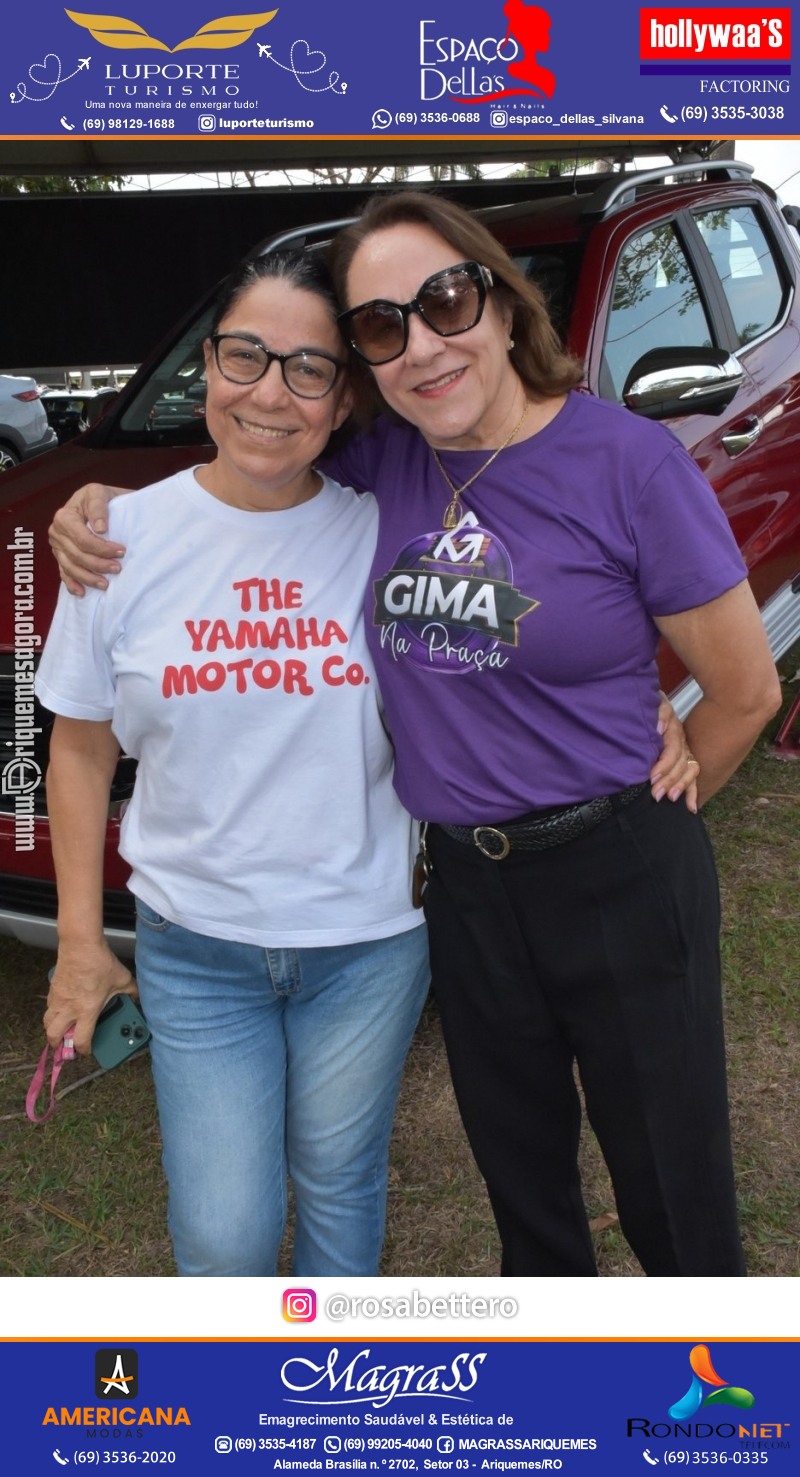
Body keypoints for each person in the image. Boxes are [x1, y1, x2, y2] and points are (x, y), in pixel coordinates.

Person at [49, 196, 724, 1278]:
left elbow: (697, 680)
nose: (273, 393)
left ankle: (684, 1411)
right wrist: (90, 501)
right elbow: (91, 725)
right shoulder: (204, 517)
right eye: (379, 327)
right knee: (301, 1220)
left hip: (488, 900)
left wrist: (648, 742)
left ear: (500, 304)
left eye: (444, 300)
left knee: (615, 1184)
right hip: (327, 912)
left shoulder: (508, 477)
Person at [35, 250, 430, 1278]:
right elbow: (78, 749)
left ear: (344, 398)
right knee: (224, 1231)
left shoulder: (388, 528)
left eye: (308, 369)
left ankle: (327, 1410)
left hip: (367, 943)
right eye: (245, 355)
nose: (269, 392)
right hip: (195, 946)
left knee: (341, 1182)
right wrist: (81, 942)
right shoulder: (115, 536)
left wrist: (630, 699)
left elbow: (532, 575)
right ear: (204, 366)